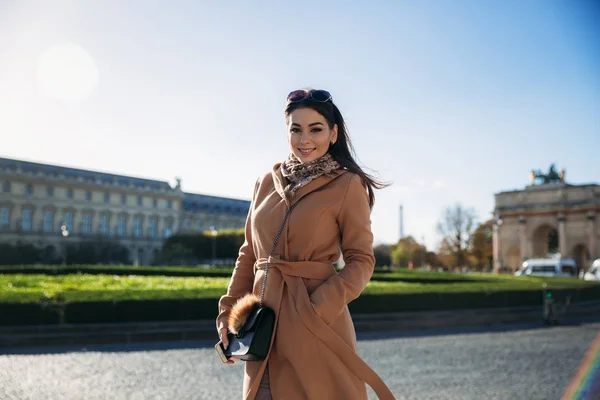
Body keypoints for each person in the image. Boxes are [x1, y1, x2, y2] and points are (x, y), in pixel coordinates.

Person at [216, 88, 395, 400]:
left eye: (316, 129)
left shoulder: (348, 184)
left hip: (314, 326)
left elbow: (361, 260)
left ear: (333, 133)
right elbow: (248, 254)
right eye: (295, 129)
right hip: (261, 327)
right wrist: (228, 313)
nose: (304, 139)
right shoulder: (264, 183)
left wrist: (318, 307)